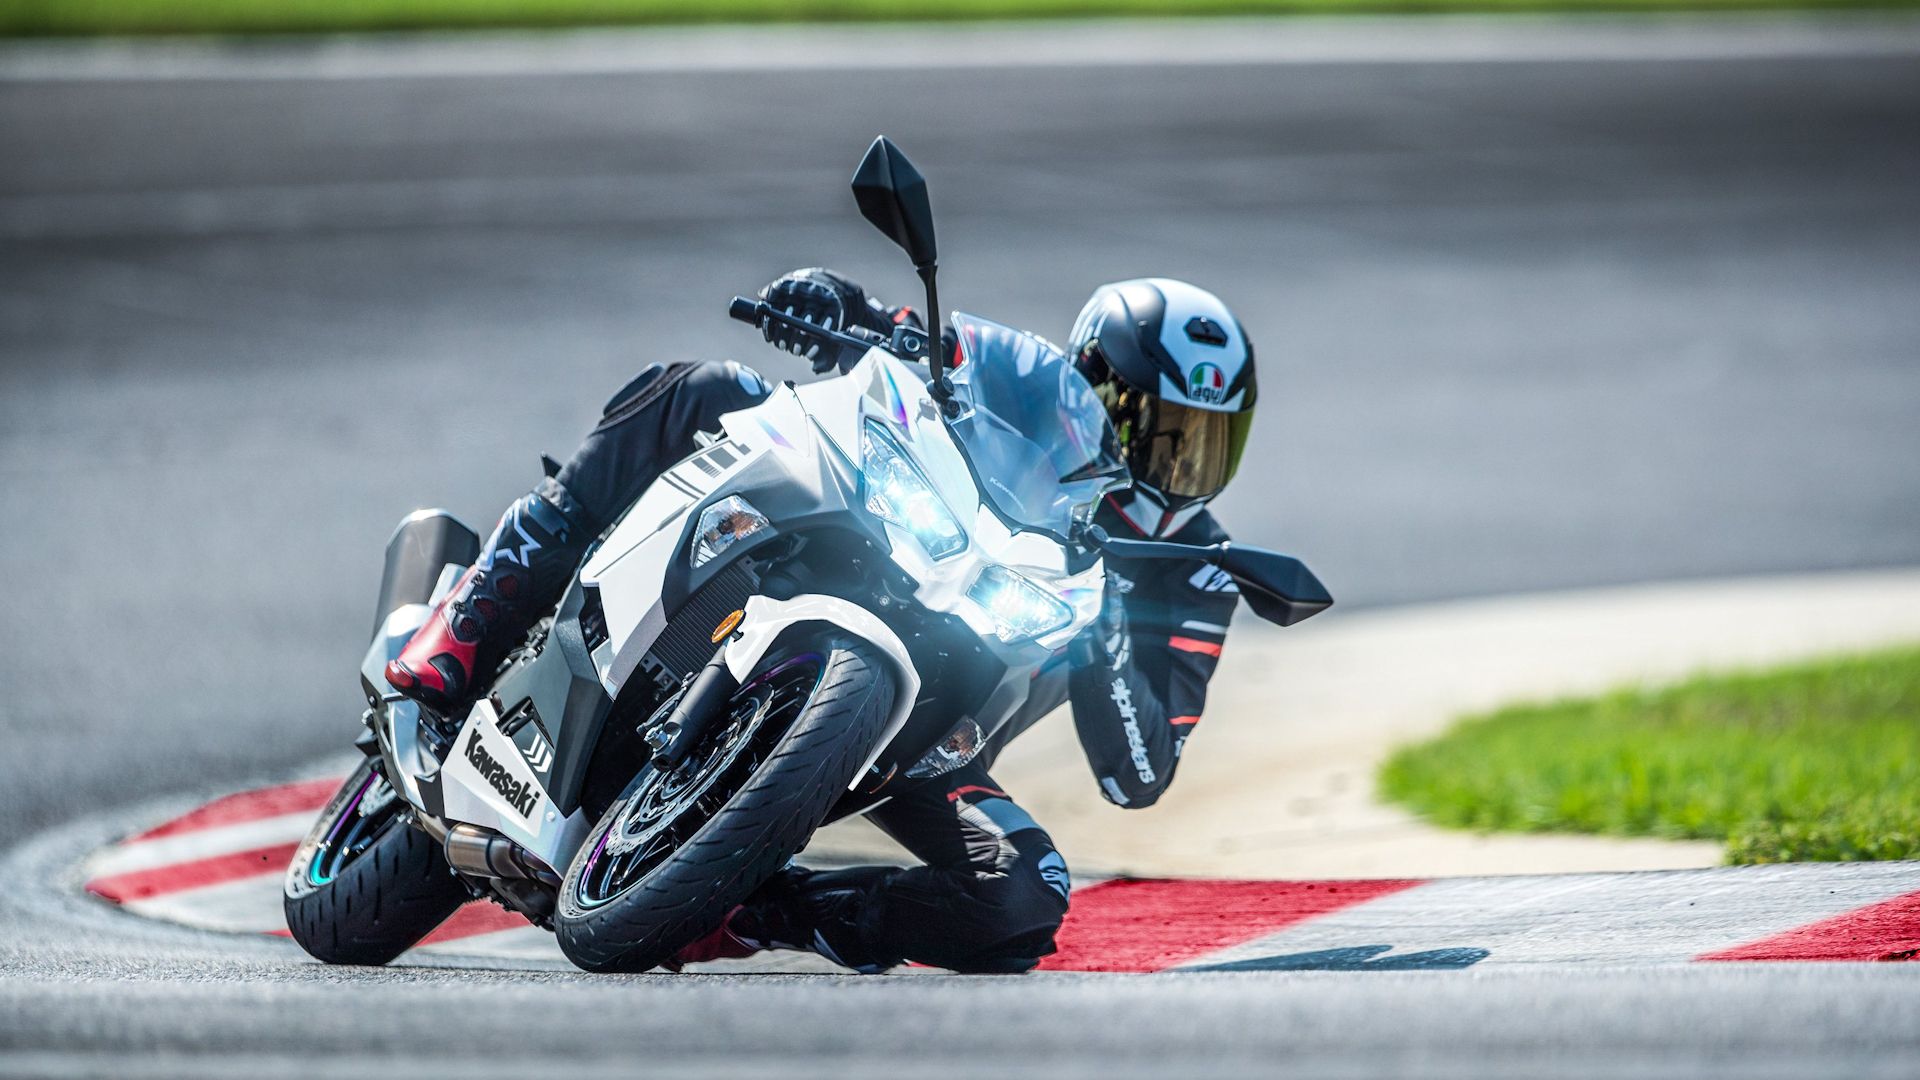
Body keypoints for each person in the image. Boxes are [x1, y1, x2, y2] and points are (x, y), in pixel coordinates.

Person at [384, 269, 1258, 974]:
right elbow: (924, 342)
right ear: (1094, 386)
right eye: (1156, 431)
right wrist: (841, 304)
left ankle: (756, 905)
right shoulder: (1031, 389)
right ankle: (475, 610)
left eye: (1205, 445)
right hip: (887, 564)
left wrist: (1109, 625)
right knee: (708, 389)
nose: (1174, 468)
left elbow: (1138, 771)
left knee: (1026, 896)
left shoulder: (1194, 576)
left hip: (935, 740)